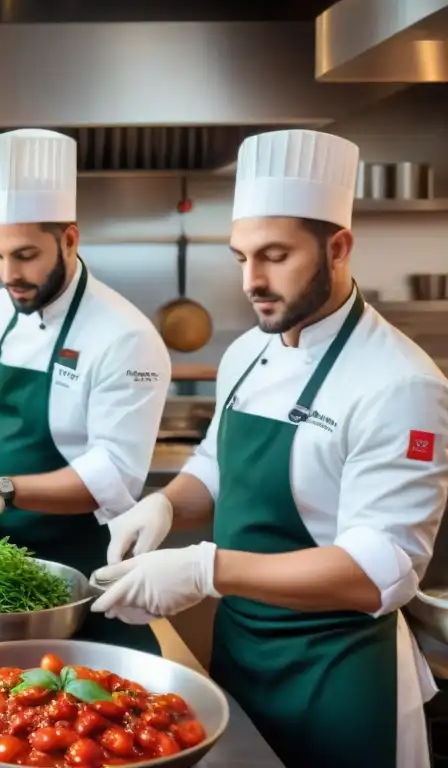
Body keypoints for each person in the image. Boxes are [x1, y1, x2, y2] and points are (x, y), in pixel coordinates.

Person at [88, 129, 448, 767]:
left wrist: (204, 570)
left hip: (338, 679)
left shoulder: (401, 383)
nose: (252, 280)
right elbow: (216, 465)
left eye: (275, 255)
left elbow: (380, 569)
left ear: (338, 247)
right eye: (240, 257)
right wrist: (165, 507)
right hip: (242, 655)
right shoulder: (247, 351)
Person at [0, 128, 173, 654]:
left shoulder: (125, 336)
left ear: (70, 239)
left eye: (26, 255)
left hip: (74, 567)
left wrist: (2, 490)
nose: (10, 274)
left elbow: (115, 474)